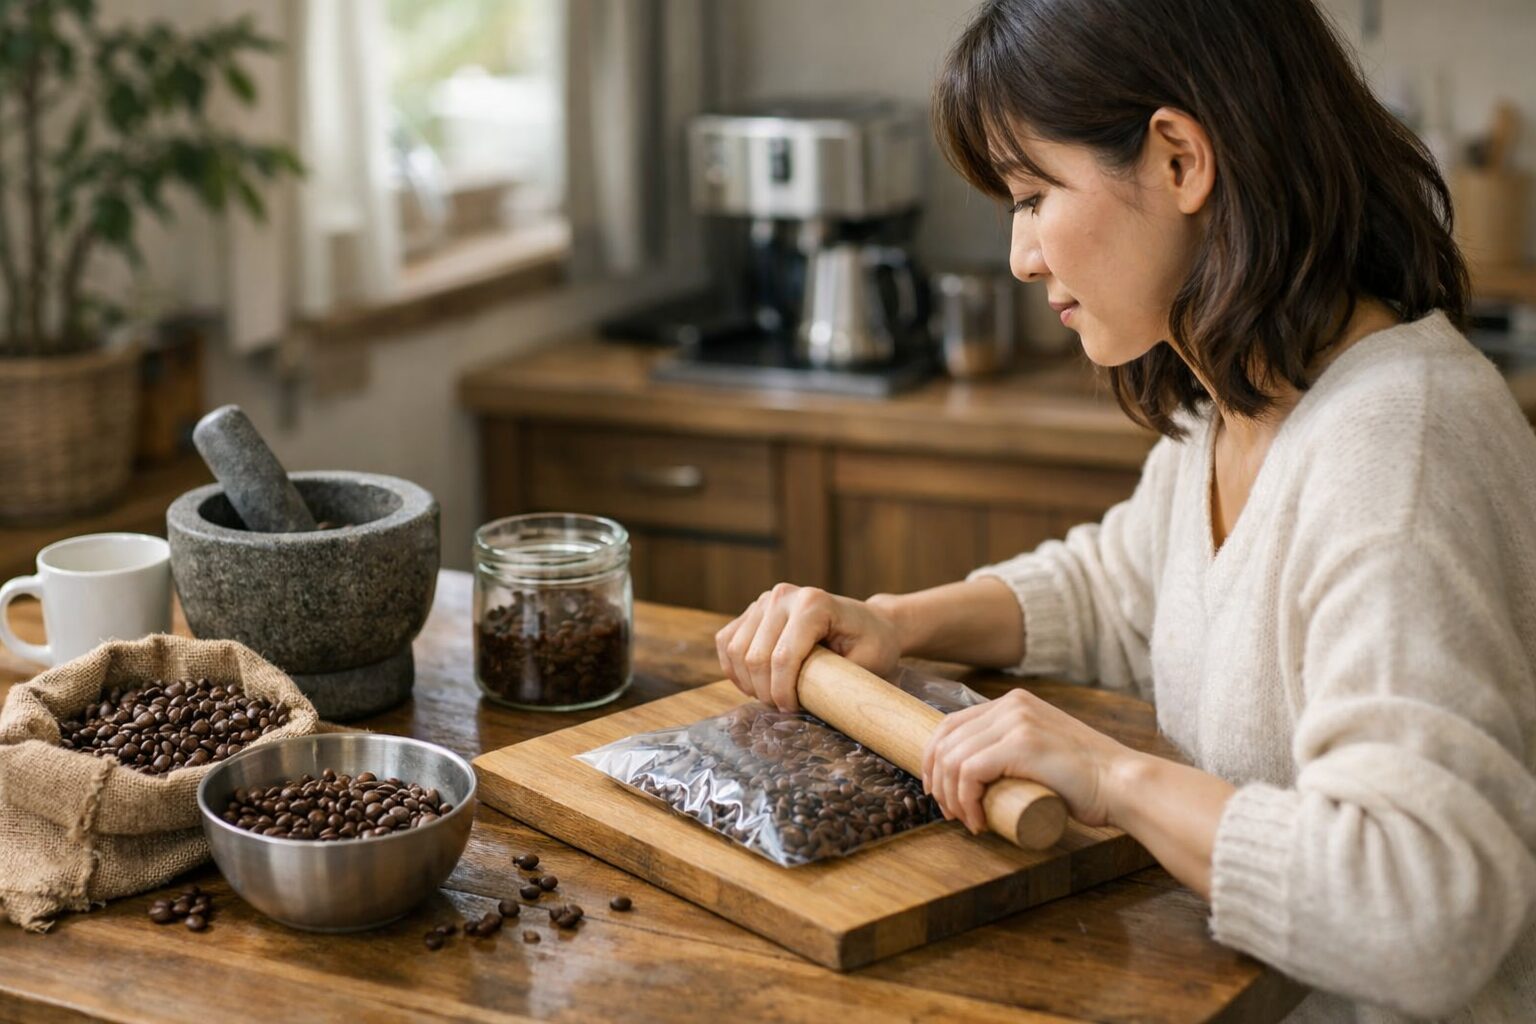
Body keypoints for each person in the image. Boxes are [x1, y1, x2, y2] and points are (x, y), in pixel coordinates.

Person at [713, 1, 1536, 1020]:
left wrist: (1115, 778)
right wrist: (897, 621)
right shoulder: (1243, 396)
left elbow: (1429, 908)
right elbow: (1126, 581)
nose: (1020, 256)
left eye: (1031, 195)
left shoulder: (1396, 449)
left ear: (1181, 160)